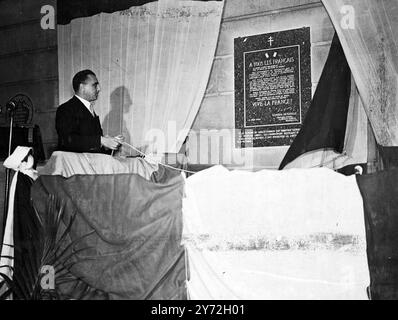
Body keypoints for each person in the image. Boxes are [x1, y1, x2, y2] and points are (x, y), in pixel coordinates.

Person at [56, 70, 123, 153]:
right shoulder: (65, 109)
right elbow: (67, 140)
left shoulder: (89, 109)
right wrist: (101, 141)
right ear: (82, 88)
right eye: (95, 85)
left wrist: (108, 143)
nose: (99, 89)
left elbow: (90, 143)